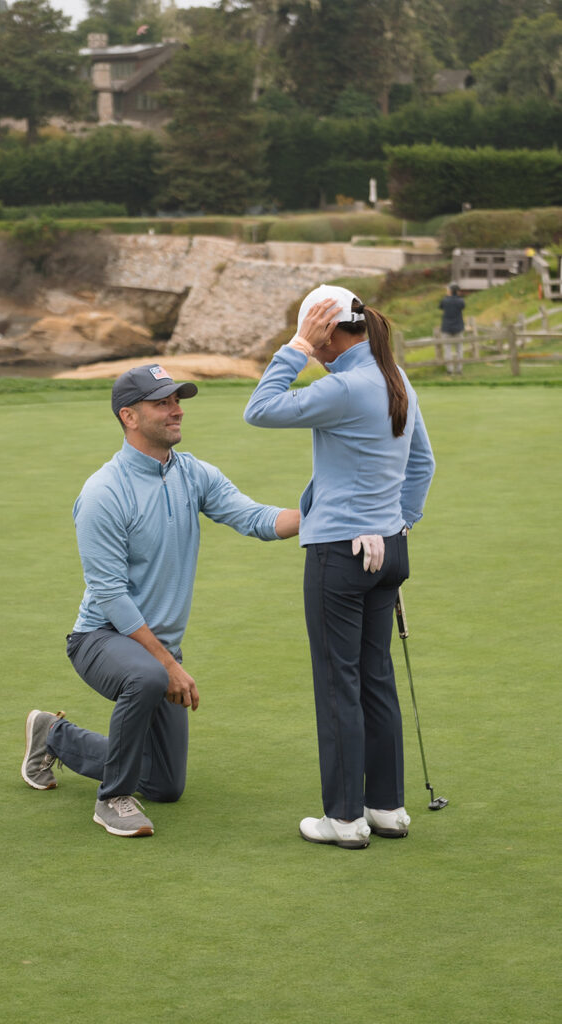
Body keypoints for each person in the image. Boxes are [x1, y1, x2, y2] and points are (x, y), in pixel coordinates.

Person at [21, 363, 299, 838]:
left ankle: (54, 735)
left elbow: (257, 519)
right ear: (129, 416)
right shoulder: (104, 492)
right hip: (101, 638)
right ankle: (113, 799)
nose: (177, 410)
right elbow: (110, 594)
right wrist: (167, 663)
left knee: (166, 784)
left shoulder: (192, 474)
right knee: (147, 675)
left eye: (178, 400)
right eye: (163, 402)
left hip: (156, 650)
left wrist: (325, 513)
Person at [244, 285, 435, 849]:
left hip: (339, 553)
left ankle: (345, 817)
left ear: (328, 331)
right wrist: (396, 524)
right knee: (375, 679)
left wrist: (296, 348)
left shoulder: (346, 386)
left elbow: (260, 408)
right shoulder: (396, 379)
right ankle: (387, 809)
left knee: (338, 684)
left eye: (314, 332)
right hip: (388, 551)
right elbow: (422, 463)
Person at [439, 282, 465, 374]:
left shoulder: (445, 300)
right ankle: (459, 369)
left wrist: (448, 296)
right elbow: (463, 306)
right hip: (458, 327)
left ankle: (449, 370)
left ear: (450, 291)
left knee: (447, 350)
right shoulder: (460, 301)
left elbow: (440, 306)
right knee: (459, 349)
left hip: (446, 328)